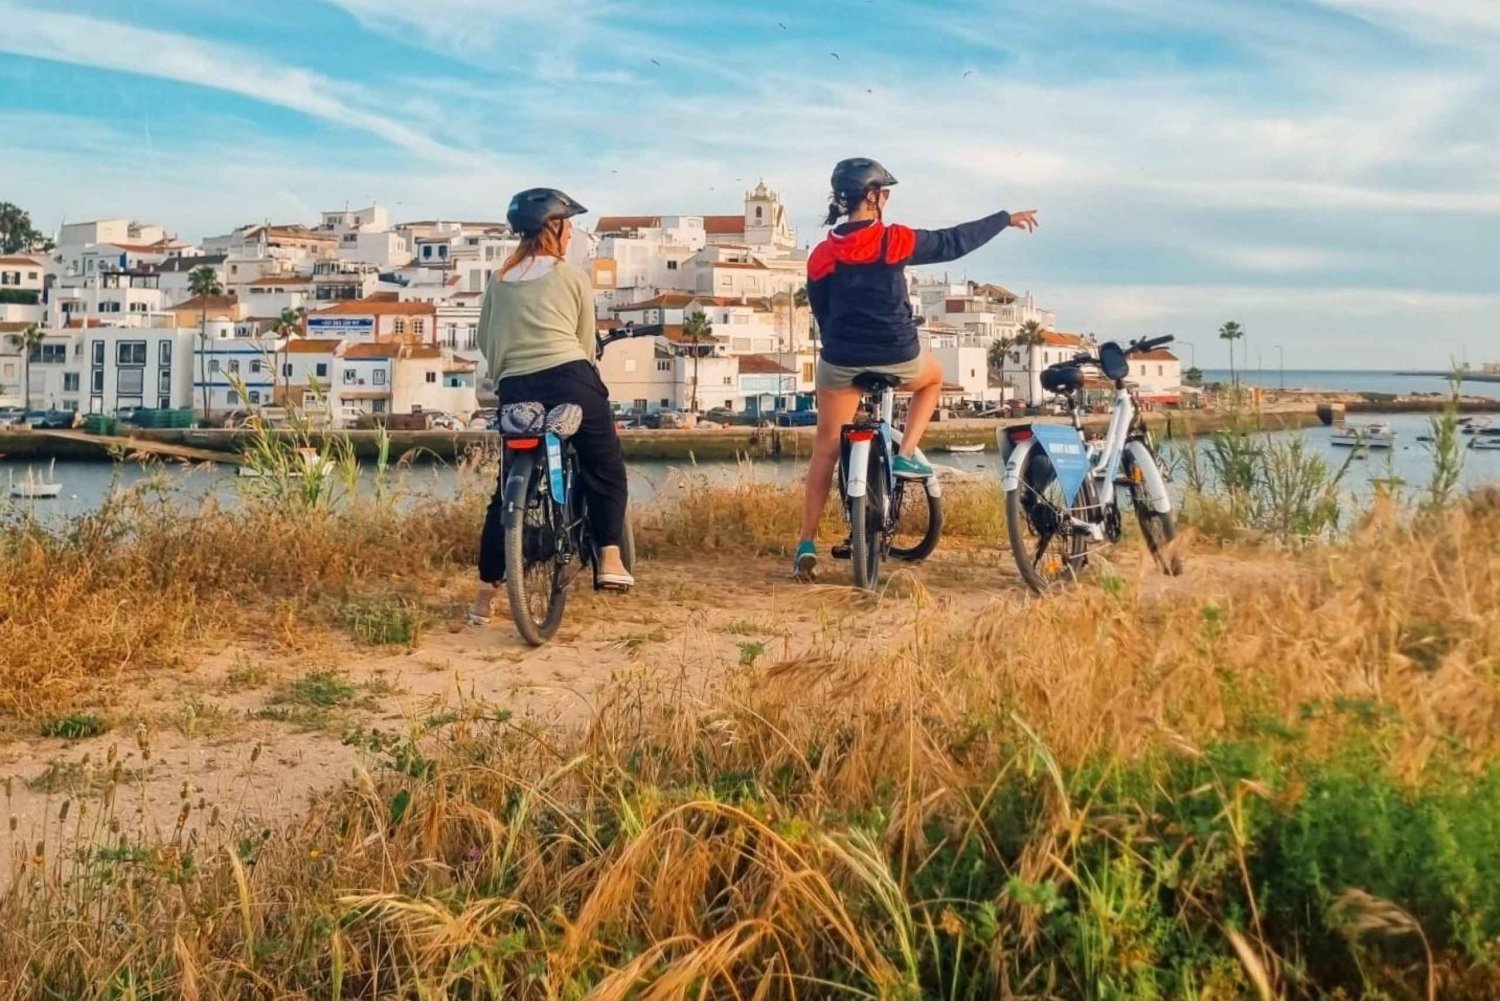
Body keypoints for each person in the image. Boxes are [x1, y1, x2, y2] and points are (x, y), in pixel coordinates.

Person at [794, 158, 1038, 580]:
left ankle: (805, 543)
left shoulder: (822, 255)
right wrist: (1003, 219)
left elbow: (821, 310)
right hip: (897, 354)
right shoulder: (894, 240)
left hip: (841, 360)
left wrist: (841, 342)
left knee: (826, 448)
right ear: (873, 198)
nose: (886, 199)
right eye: (884, 192)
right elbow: (953, 242)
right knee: (934, 379)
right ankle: (906, 455)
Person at [469, 187, 633, 624]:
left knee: (505, 489)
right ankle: (612, 558)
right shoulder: (570, 276)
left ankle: (485, 594)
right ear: (555, 228)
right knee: (605, 466)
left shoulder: (498, 281)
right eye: (569, 225)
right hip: (568, 378)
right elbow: (584, 342)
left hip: (516, 388)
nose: (572, 233)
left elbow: (484, 341)